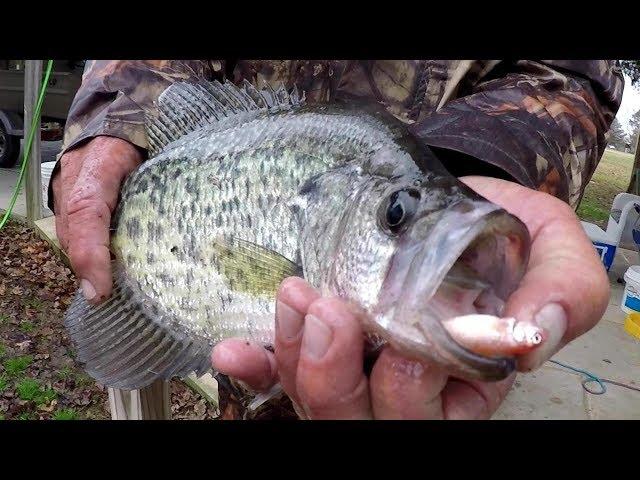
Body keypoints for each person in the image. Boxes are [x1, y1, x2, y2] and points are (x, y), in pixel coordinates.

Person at [50, 60, 624, 419]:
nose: (403, 223)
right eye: (396, 216)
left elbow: (571, 73)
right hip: (253, 372)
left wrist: (469, 171)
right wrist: (116, 113)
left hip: (440, 393)